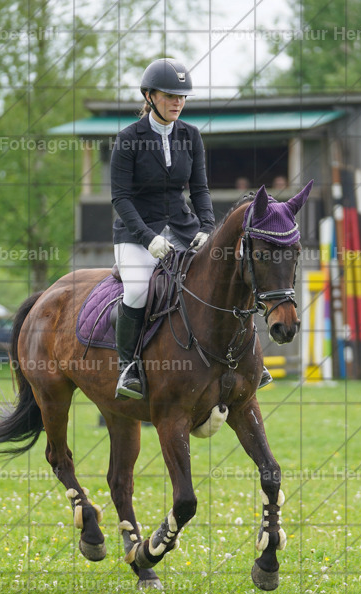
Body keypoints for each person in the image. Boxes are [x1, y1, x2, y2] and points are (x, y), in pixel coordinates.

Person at [110, 59, 275, 399]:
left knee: (228, 277)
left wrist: (207, 228)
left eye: (182, 97)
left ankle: (249, 360)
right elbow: (121, 198)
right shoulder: (128, 138)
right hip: (137, 233)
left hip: (185, 230)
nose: (177, 102)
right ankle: (128, 367)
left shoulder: (191, 136)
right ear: (149, 95)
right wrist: (148, 238)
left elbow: (200, 190)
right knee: (139, 289)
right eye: (170, 95)